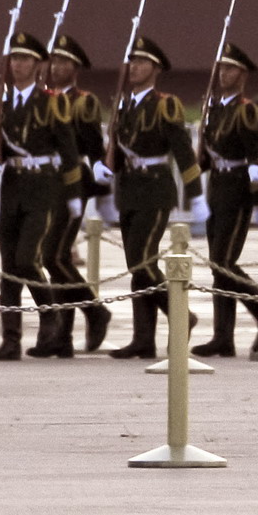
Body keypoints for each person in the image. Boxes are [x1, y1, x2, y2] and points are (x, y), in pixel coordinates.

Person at [0, 32, 80, 361]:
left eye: (25, 59)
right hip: (13, 184)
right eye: (14, 59)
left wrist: (73, 193)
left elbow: (68, 150)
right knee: (9, 267)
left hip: (44, 186)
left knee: (27, 259)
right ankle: (10, 341)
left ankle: (51, 316)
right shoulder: (1, 104)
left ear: (38, 65)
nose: (18, 65)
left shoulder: (53, 101)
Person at [99, 35, 199, 360]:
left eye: (142, 62)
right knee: (139, 266)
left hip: (155, 189)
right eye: (132, 61)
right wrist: (106, 169)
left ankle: (182, 315)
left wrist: (195, 194)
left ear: (155, 68)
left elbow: (182, 150)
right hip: (128, 188)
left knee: (140, 260)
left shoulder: (165, 104)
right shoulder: (124, 104)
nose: (134, 67)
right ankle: (143, 338)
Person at [192, 42, 258, 357]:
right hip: (217, 187)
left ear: (242, 74)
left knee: (224, 263)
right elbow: (208, 155)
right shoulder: (214, 108)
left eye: (230, 68)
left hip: (237, 190)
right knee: (219, 266)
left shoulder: (245, 110)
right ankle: (223, 337)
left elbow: (257, 155)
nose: (223, 73)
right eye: (221, 68)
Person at [39, 33, 110, 354]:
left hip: (74, 181)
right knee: (54, 256)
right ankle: (62, 338)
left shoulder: (84, 101)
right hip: (46, 181)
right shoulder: (43, 97)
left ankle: (95, 312)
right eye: (54, 61)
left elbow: (94, 146)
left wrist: (100, 184)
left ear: (76, 67)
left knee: (55, 255)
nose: (57, 67)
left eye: (64, 62)